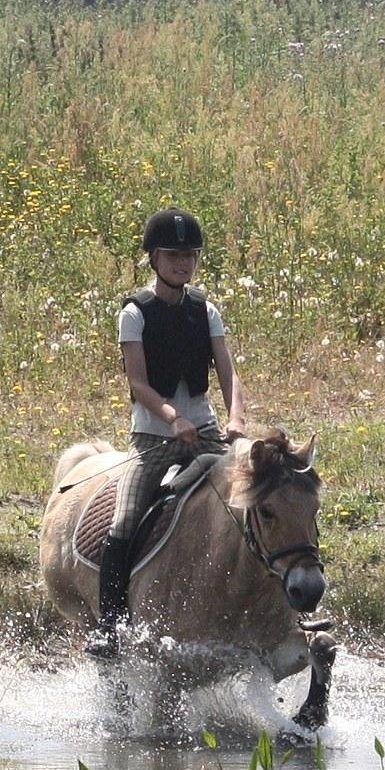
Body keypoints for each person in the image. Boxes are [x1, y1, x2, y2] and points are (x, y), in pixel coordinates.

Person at [86, 207, 247, 659]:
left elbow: (228, 372)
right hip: (155, 438)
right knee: (124, 521)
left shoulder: (206, 310)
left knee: (259, 503)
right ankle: (111, 626)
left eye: (190, 255)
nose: (183, 263)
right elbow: (138, 383)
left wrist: (235, 418)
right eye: (173, 255)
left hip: (207, 435)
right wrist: (174, 418)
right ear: (153, 259)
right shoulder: (135, 314)